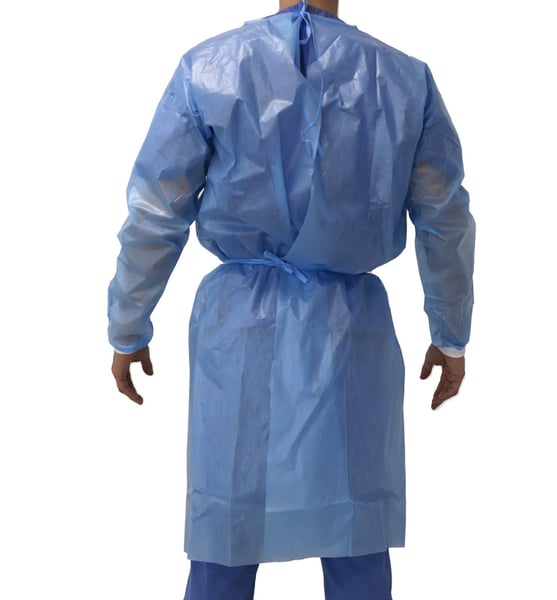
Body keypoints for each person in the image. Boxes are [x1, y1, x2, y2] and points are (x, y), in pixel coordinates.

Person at [108, 0, 475, 597]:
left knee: (225, 534)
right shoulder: (404, 80)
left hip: (238, 332)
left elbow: (157, 210)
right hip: (350, 333)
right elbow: (444, 217)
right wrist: (450, 334)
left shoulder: (210, 68)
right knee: (356, 533)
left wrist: (128, 324)